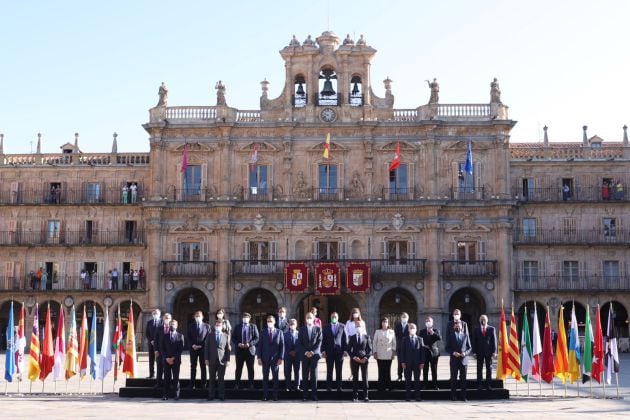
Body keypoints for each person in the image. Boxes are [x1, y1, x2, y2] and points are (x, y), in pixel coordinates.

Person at [257, 315, 285, 401]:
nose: (269, 323)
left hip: (275, 359)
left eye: (271, 321)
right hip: (265, 358)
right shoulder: (263, 332)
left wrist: (281, 357)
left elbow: (282, 346)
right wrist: (259, 358)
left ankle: (275, 396)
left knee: (275, 378)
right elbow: (259, 346)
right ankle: (265, 396)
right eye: (268, 321)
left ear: (274, 322)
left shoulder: (279, 332)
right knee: (265, 378)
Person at [445, 319, 472, 401]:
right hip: (454, 360)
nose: (457, 327)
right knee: (453, 379)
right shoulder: (451, 336)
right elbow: (447, 348)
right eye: (456, 326)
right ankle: (453, 396)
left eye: (459, 325)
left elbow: (470, 347)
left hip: (464, 361)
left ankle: (463, 396)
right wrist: (453, 353)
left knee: (463, 379)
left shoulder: (465, 336)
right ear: (454, 327)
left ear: (462, 327)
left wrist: (465, 353)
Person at [205, 317, 230, 401]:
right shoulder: (210, 335)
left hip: (222, 360)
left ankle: (221, 395)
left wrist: (228, 360)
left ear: (222, 326)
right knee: (211, 379)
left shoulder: (226, 336)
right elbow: (207, 347)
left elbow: (227, 349)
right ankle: (211, 395)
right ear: (214, 326)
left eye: (219, 325)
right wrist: (206, 359)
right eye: (216, 325)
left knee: (221, 379)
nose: (218, 326)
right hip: (211, 359)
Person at [231, 312, 259, 390]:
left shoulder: (253, 326)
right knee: (238, 368)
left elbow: (257, 338)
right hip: (240, 350)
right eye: (244, 317)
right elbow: (233, 338)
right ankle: (237, 384)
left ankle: (251, 384)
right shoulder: (237, 327)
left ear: (249, 318)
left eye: (247, 317)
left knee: (250, 369)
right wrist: (238, 343)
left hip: (250, 351)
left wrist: (250, 344)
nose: (245, 318)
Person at [298, 311, 322, 401]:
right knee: (304, 375)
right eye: (307, 317)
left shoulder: (318, 329)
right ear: (305, 319)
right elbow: (299, 343)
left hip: (314, 355)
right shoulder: (301, 329)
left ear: (313, 319)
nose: (309, 319)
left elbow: (319, 342)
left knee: (314, 375)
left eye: (310, 318)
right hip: (304, 356)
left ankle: (314, 395)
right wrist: (306, 352)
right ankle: (305, 395)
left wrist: (312, 351)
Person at [400, 323, 425, 402]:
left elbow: (422, 352)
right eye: (410, 328)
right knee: (408, 380)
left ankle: (417, 396)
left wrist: (422, 362)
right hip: (407, 363)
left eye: (413, 328)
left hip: (417, 363)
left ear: (416, 329)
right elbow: (402, 351)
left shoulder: (420, 339)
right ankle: (408, 397)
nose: (412, 329)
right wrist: (402, 362)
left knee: (417, 380)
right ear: (408, 330)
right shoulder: (404, 339)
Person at [347, 320, 372, 402]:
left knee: (365, 377)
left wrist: (366, 358)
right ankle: (355, 395)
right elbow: (348, 349)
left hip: (364, 359)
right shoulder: (352, 337)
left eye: (359, 326)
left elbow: (370, 350)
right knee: (355, 378)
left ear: (362, 327)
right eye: (356, 326)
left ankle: (366, 395)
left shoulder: (367, 337)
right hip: (355, 360)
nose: (358, 328)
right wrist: (353, 357)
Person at [322, 311, 346, 392]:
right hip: (329, 352)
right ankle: (329, 387)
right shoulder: (326, 327)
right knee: (329, 370)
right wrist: (323, 350)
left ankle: (339, 387)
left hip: (339, 352)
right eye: (332, 317)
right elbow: (323, 340)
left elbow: (344, 339)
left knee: (339, 370)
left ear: (338, 317)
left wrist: (344, 350)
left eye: (335, 316)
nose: (334, 318)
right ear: (330, 317)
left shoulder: (342, 326)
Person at [161, 319, 185, 401]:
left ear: (177, 326)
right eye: (171, 324)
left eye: (174, 324)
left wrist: (173, 358)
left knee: (176, 378)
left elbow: (181, 349)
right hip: (166, 360)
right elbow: (162, 348)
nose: (172, 326)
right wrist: (166, 358)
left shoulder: (180, 336)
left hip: (176, 360)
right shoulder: (165, 336)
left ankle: (176, 395)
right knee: (167, 378)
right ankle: (165, 395)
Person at [472, 314, 497, 390]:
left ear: (487, 320)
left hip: (489, 352)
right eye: (481, 319)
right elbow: (474, 341)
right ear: (479, 320)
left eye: (484, 319)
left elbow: (494, 341)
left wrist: (494, 351)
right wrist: (474, 352)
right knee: (479, 369)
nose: (483, 320)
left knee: (489, 369)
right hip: (479, 352)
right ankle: (479, 385)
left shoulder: (491, 329)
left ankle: (488, 385)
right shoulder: (476, 329)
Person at [187, 310, 210, 389]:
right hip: (193, 349)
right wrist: (193, 345)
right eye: (196, 316)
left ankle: (204, 384)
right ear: (194, 317)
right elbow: (188, 337)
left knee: (203, 366)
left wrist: (201, 345)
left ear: (202, 317)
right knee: (193, 366)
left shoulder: (207, 326)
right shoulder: (190, 326)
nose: (198, 317)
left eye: (199, 316)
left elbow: (208, 338)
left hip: (203, 349)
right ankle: (192, 384)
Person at [373, 317, 396, 392]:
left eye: (386, 322)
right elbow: (374, 342)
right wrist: (375, 352)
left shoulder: (391, 332)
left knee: (387, 370)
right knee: (381, 370)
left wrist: (393, 352)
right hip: (380, 353)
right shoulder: (377, 331)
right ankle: (380, 387)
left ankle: (389, 386)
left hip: (388, 353)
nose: (384, 323)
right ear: (381, 323)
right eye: (383, 321)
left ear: (388, 323)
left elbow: (394, 343)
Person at [418, 316, 441, 390]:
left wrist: (433, 333)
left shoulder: (436, 330)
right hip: (425, 352)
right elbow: (419, 341)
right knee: (425, 369)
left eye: (429, 321)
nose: (428, 322)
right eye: (427, 321)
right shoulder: (422, 331)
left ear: (432, 322)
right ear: (425, 323)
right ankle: (425, 384)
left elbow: (439, 338)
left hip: (434, 353)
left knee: (434, 369)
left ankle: (435, 385)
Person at [154, 312, 172, 389]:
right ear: (163, 319)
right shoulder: (159, 328)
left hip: (169, 352)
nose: (167, 319)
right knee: (159, 368)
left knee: (168, 369)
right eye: (165, 318)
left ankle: (168, 384)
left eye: (168, 318)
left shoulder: (173, 327)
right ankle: (158, 384)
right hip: (160, 352)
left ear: (170, 319)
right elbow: (156, 340)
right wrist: (156, 350)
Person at [283, 318, 301, 391]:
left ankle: (297, 386)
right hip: (288, 355)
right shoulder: (284, 334)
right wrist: (290, 351)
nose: (292, 325)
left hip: (297, 355)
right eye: (291, 324)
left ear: (296, 325)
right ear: (289, 325)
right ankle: (288, 386)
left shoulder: (299, 334)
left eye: (293, 324)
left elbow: (301, 344)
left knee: (297, 371)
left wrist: (295, 351)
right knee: (288, 371)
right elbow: (284, 345)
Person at [145, 309, 162, 379]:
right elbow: (147, 333)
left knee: (160, 360)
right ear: (152, 314)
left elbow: (163, 333)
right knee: (151, 360)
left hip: (159, 344)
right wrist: (151, 340)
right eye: (154, 313)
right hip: (151, 344)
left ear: (160, 314)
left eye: (157, 313)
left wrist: (157, 341)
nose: (155, 314)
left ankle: (160, 375)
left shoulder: (162, 322)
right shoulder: (149, 322)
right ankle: (151, 374)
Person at [394, 312, 410, 381]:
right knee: (399, 362)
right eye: (403, 317)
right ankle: (399, 376)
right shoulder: (397, 326)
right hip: (399, 347)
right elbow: (396, 334)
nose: (404, 318)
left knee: (407, 362)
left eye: (405, 317)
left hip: (407, 347)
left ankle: (407, 376)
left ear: (408, 318)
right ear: (401, 318)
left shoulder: (410, 326)